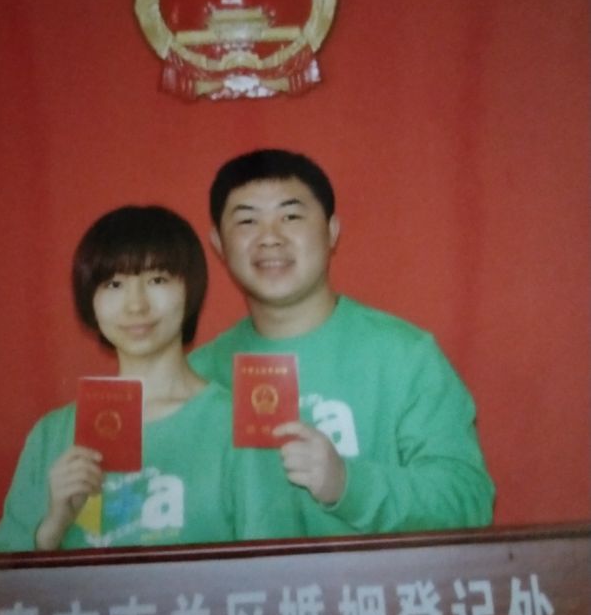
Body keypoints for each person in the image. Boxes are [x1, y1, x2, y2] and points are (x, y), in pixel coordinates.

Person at [189, 149, 495, 537]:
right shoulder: (197, 377)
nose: (270, 237)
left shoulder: (404, 356)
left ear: (332, 231)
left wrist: (348, 484)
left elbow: (468, 501)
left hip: (377, 579)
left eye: (291, 216)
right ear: (218, 243)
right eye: (247, 220)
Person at [0, 205, 304, 552]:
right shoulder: (51, 435)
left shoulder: (239, 426)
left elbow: (277, 569)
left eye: (157, 280)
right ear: (89, 300)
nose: (135, 305)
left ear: (191, 290)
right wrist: (51, 529)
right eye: (114, 284)